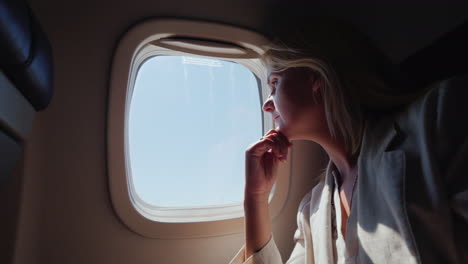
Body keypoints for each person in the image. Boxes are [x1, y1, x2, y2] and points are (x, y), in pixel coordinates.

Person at [229, 20, 468, 264]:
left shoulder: (439, 118)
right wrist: (255, 197)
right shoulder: (312, 210)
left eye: (275, 84)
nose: (266, 104)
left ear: (315, 75)